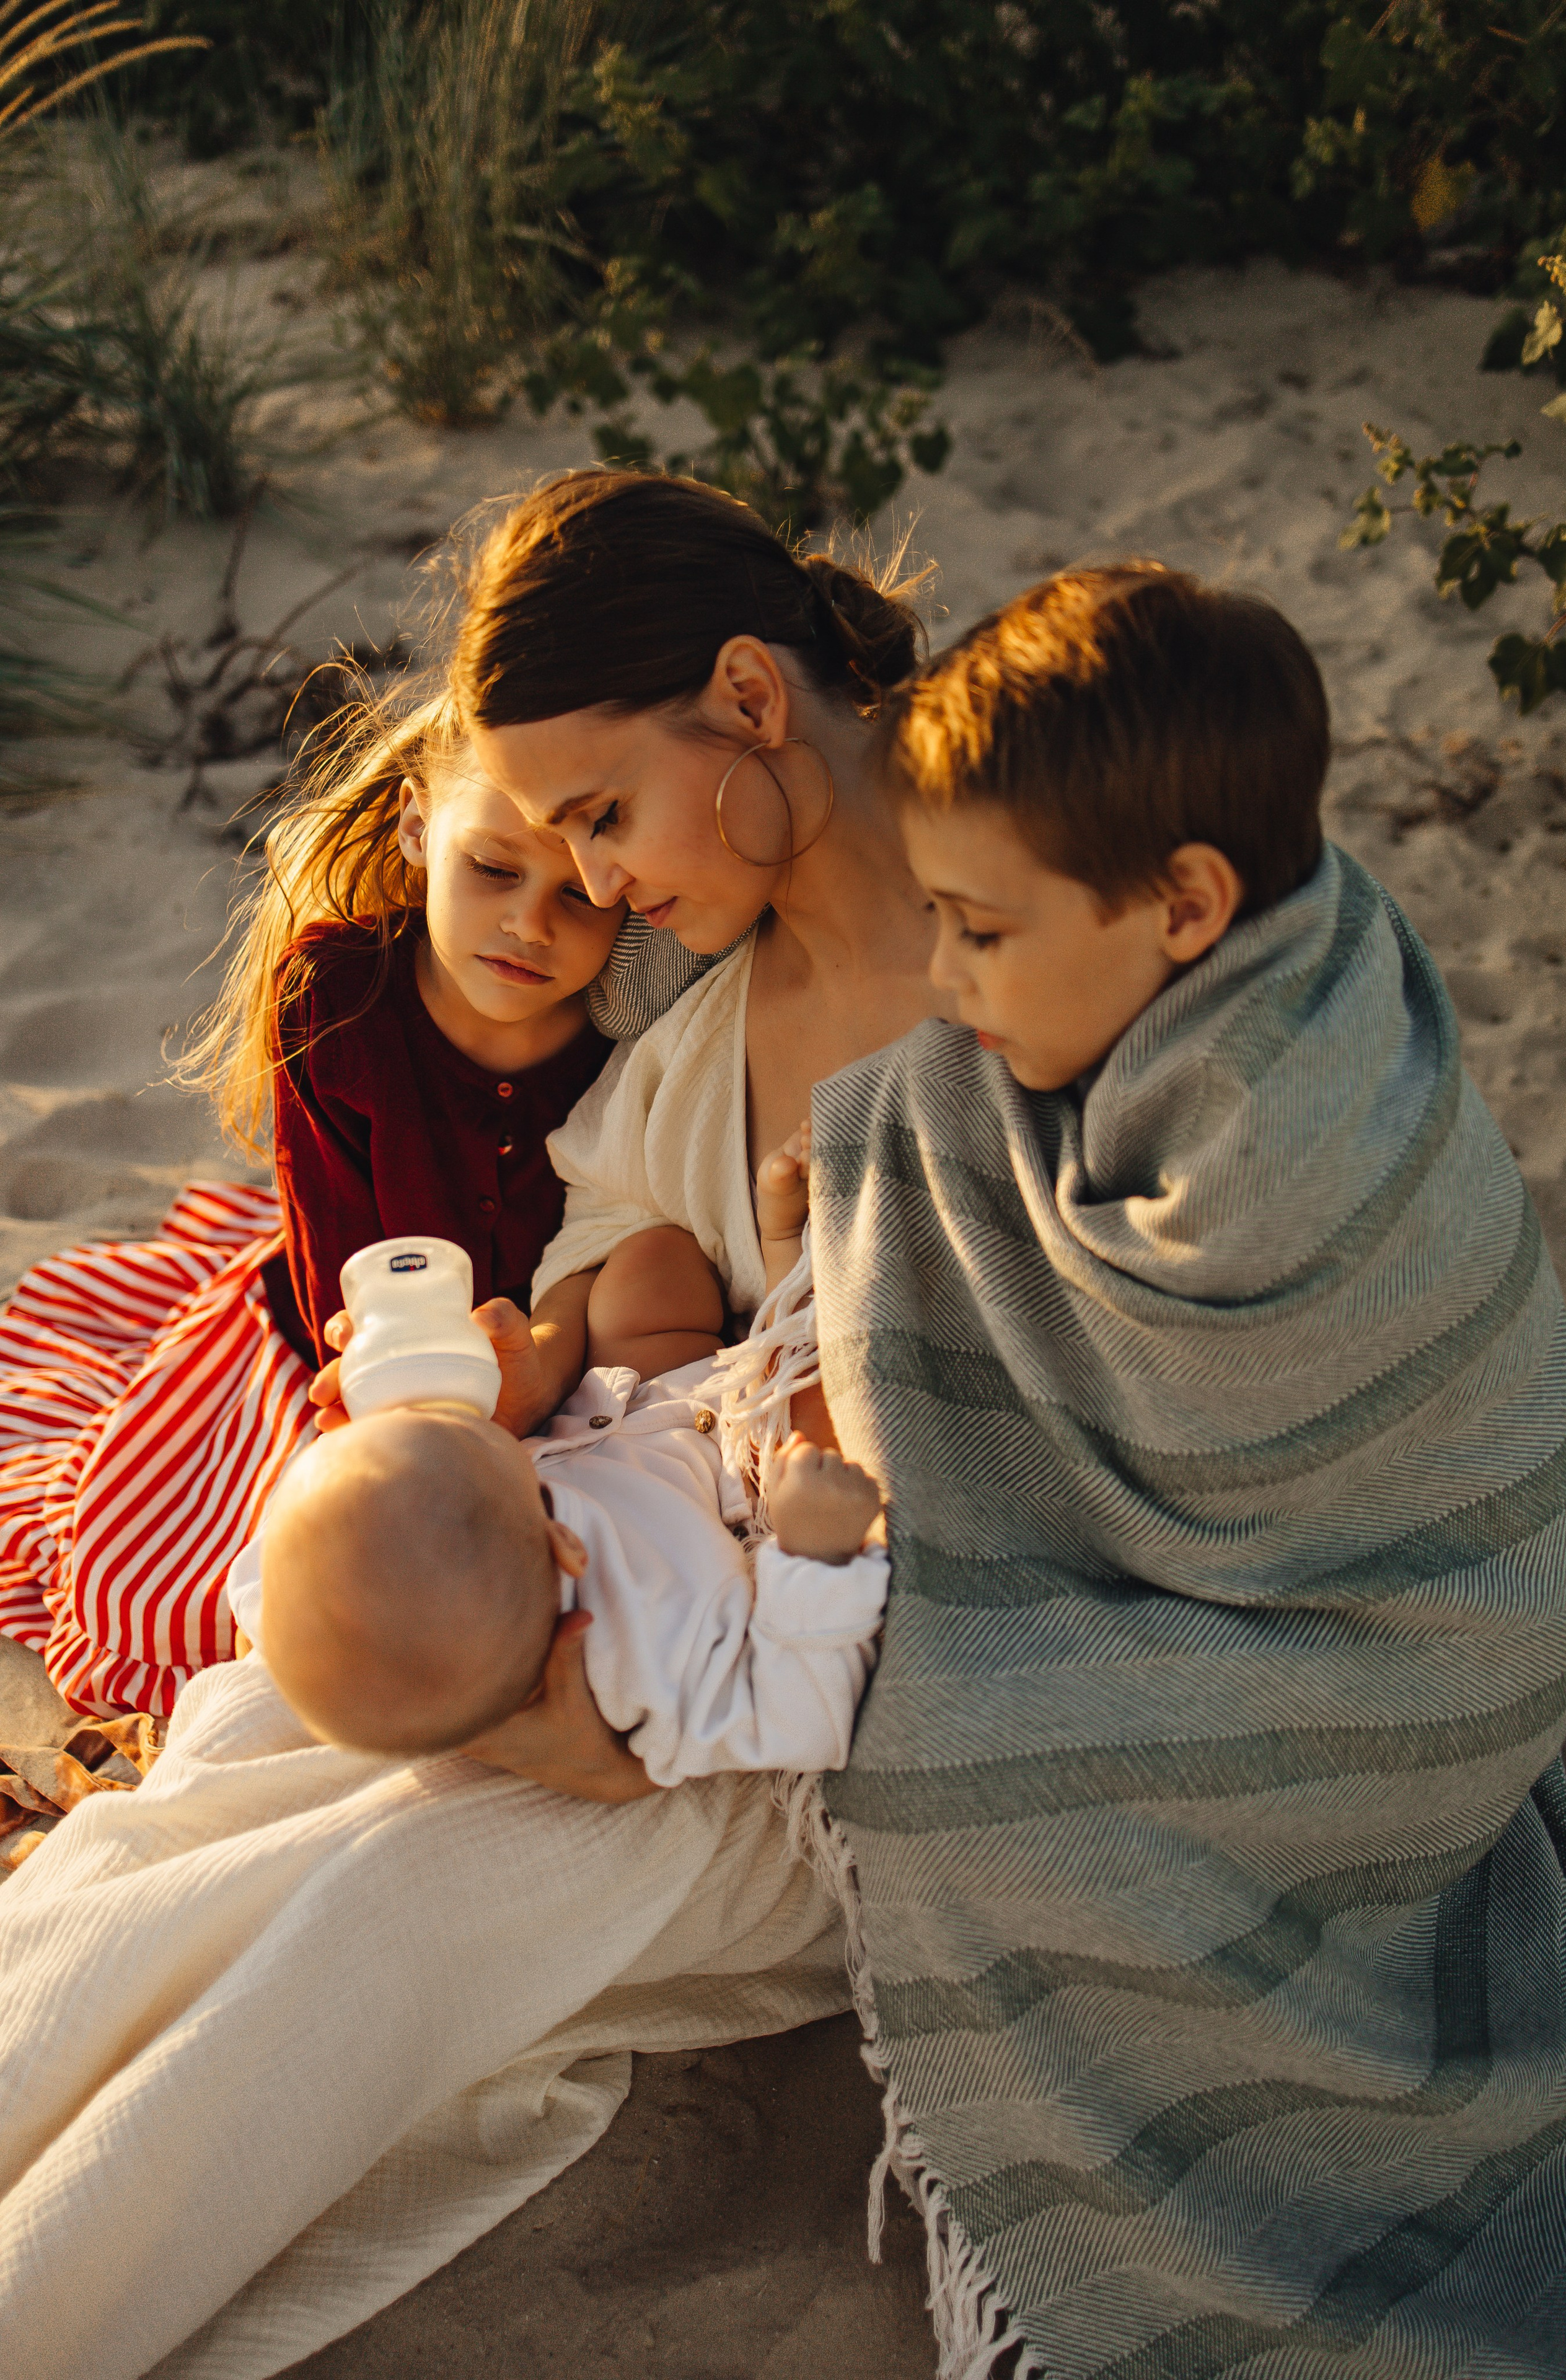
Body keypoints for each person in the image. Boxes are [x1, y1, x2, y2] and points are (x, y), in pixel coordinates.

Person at [0, 465, 948, 2380]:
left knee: (386, 1888)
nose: (590, 883)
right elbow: (617, 1248)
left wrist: (635, 1704)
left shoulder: (1025, 948)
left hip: (825, 1713)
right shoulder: (711, 993)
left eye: (599, 815)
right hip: (635, 1558)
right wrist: (551, 1366)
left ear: (753, 703)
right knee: (246, 1730)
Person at [807, 564, 1566, 2378]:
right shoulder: (1178, 989)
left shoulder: (1294, 1140)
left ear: (1185, 904)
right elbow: (947, 1118)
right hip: (1280, 1588)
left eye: (979, 931)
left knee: (941, 1756)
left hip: (1423, 1644)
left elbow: (1309, 1443)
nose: (937, 977)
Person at [0, 678, 620, 1722]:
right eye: (493, 869)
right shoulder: (339, 993)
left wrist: (539, 1366)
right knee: (194, 1597)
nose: (529, 924)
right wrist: (420, 1401)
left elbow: (623, 1226)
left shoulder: (624, 1023)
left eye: (578, 897)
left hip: (565, 1344)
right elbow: (337, 1258)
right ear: (421, 830)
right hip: (348, 1350)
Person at [232, 1388, 887, 1783]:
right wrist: (813, 1554)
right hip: (718, 1440)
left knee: (646, 1269)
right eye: (478, 1437)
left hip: (624, 1409)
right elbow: (802, 1723)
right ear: (565, 1545)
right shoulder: (652, 1650)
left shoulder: (317, 1609)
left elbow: (262, 1579)